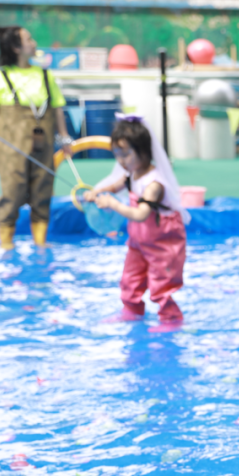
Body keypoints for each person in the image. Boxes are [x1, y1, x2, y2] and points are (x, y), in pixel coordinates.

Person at [84, 115, 190, 332]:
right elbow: (115, 185)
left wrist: (112, 204)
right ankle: (131, 310)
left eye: (127, 154)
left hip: (163, 242)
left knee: (162, 282)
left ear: (144, 151)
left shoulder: (153, 184)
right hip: (139, 240)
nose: (122, 160)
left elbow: (141, 214)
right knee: (130, 278)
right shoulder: (132, 175)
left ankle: (171, 319)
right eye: (118, 154)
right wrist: (97, 191)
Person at [0, 26, 74, 251]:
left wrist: (65, 137)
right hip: (12, 151)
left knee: (43, 192)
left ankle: (40, 243)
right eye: (28, 39)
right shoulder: (0, 77)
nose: (34, 42)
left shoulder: (44, 74)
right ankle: (6, 245)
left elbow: (57, 108)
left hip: (43, 147)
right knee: (12, 192)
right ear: (16, 47)